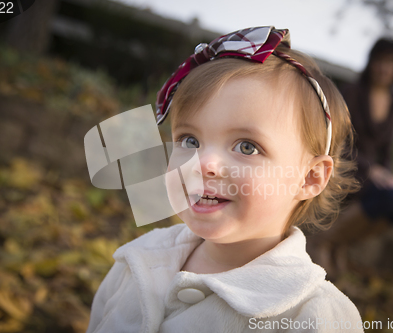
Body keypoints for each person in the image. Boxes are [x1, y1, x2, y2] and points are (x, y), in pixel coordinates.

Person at [86, 26, 364, 332]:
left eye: (247, 147)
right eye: (190, 140)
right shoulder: (139, 260)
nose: (204, 164)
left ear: (309, 178)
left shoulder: (315, 316)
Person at [307, 38, 393, 277]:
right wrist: (371, 169)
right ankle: (323, 242)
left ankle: (340, 243)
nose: (384, 68)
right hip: (346, 165)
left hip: (372, 174)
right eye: (380, 61)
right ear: (371, 63)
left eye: (391, 63)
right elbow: (338, 140)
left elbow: (387, 152)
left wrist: (389, 175)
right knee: (390, 199)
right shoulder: (352, 93)